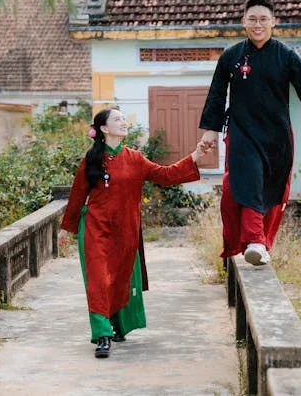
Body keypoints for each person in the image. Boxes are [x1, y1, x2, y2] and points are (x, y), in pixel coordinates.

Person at [59, 108, 211, 359]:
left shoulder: (136, 158)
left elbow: (166, 175)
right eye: (117, 119)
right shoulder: (92, 159)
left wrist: (195, 155)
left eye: (123, 119)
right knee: (98, 280)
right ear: (105, 129)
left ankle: (118, 326)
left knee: (120, 278)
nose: (123, 122)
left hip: (125, 230)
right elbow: (77, 195)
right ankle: (102, 336)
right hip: (95, 228)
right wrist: (67, 229)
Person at [199, 0, 301, 266]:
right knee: (248, 180)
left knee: (271, 188)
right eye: (252, 19)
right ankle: (254, 240)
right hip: (242, 132)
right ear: (243, 22)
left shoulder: (286, 55)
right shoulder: (231, 56)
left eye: (263, 19)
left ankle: (260, 243)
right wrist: (210, 130)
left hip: (276, 136)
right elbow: (216, 94)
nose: (258, 24)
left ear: (273, 23)